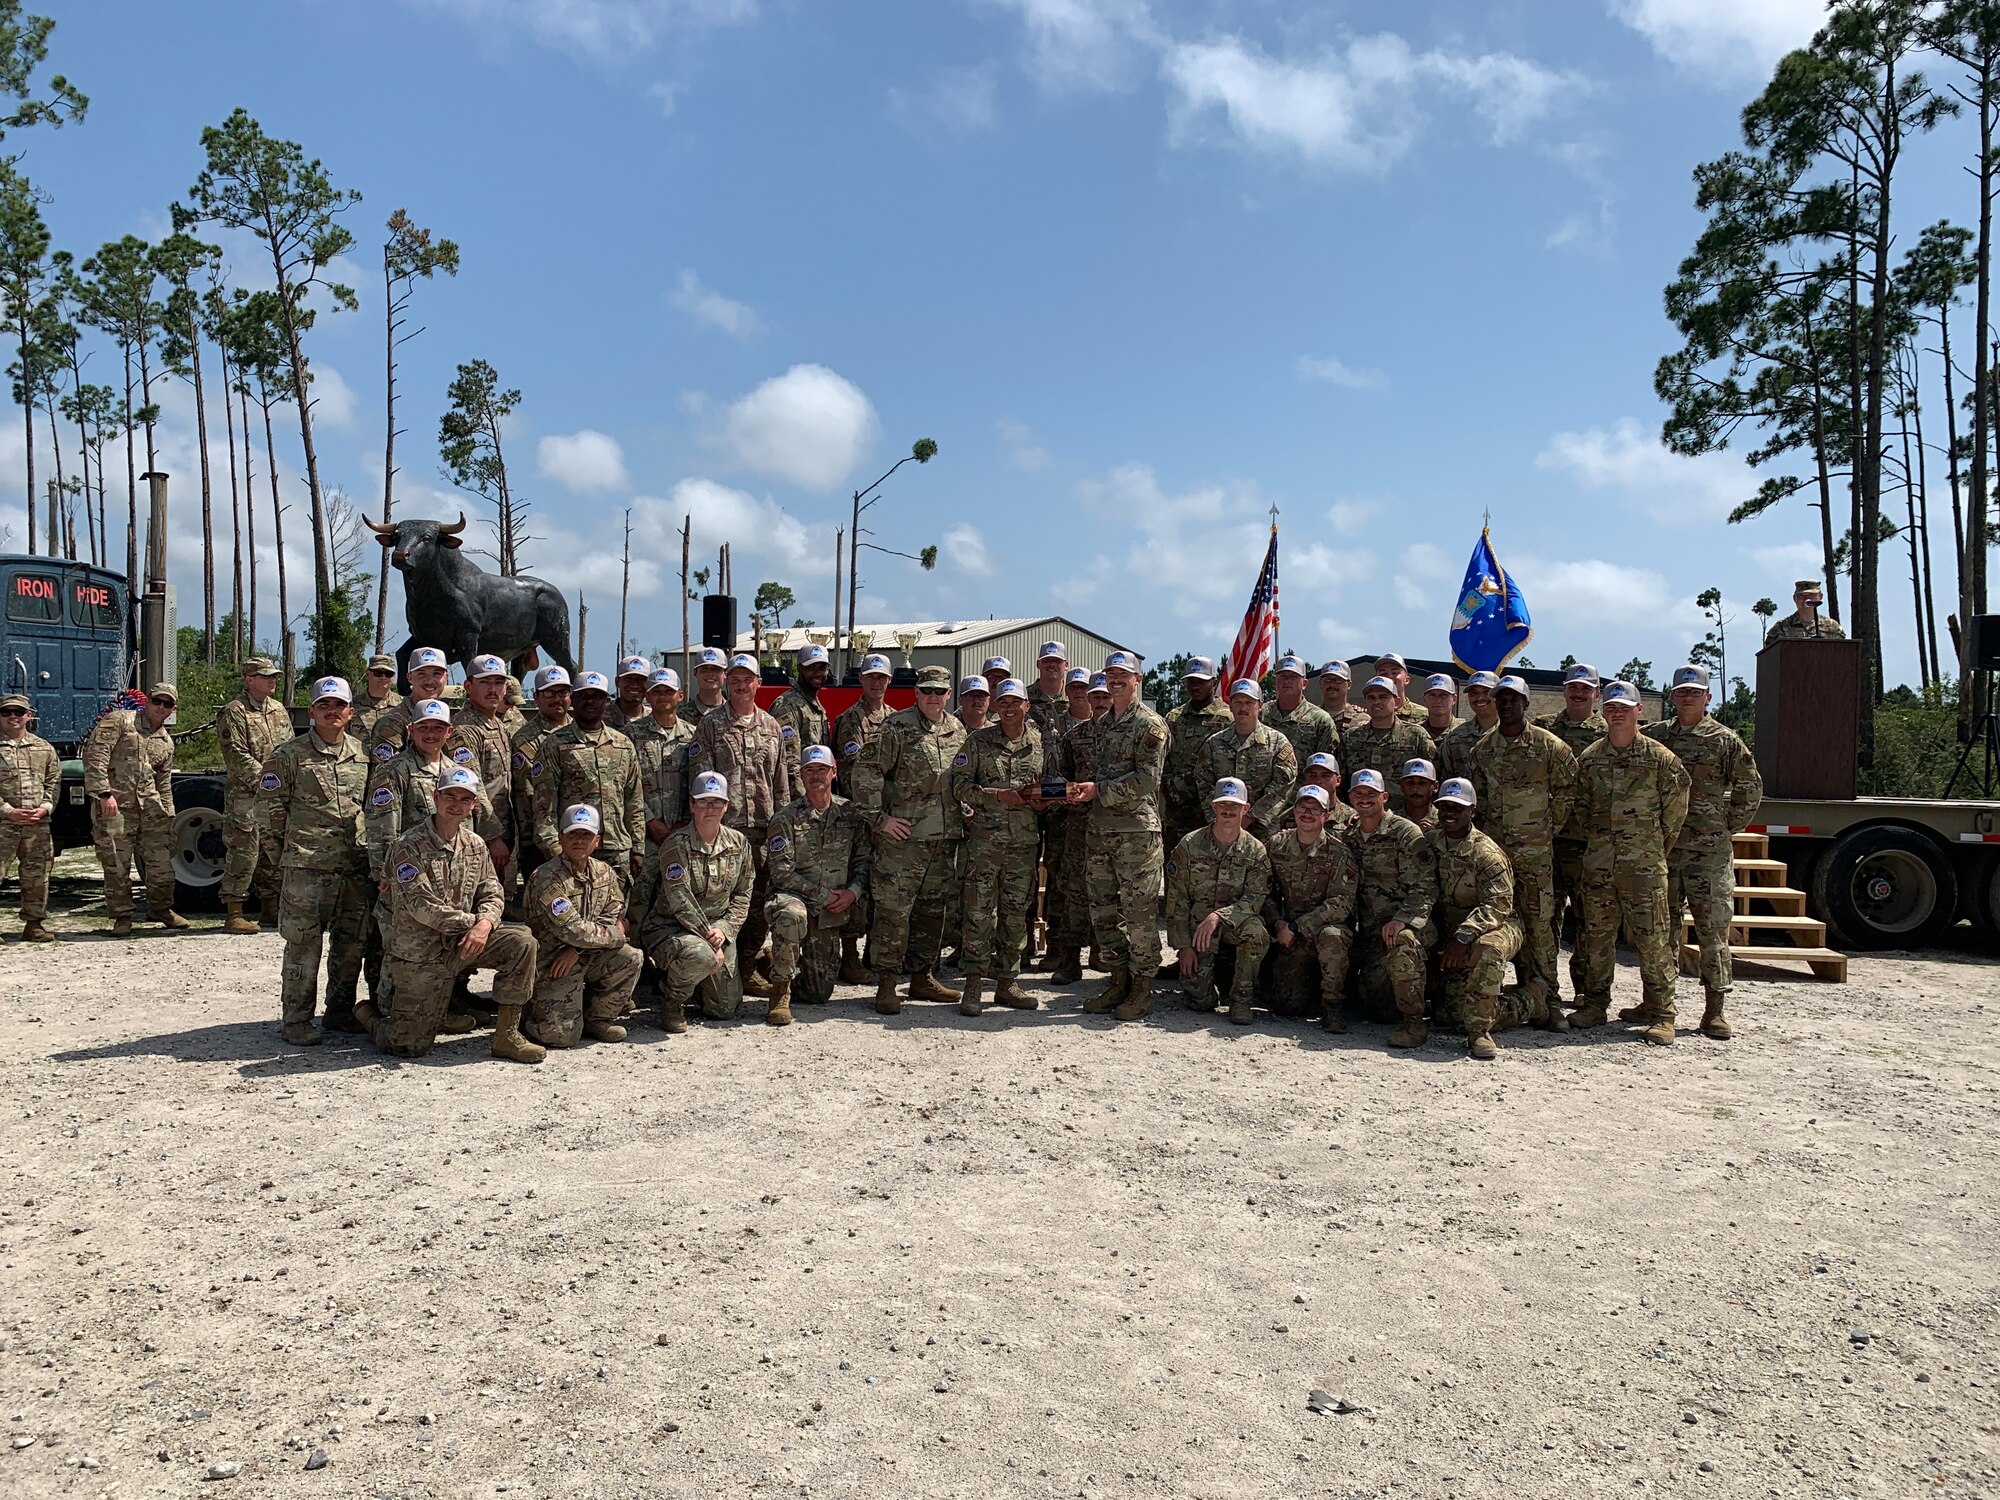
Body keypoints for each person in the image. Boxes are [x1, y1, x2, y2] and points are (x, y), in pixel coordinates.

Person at [365, 765, 542, 1062]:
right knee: (407, 1047)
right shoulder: (407, 846)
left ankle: (506, 1036)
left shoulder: (475, 845)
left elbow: (492, 892)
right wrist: (474, 923)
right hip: (421, 954)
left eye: (464, 799)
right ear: (436, 797)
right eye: (450, 796)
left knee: (522, 942)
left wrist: (486, 923)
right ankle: (368, 1015)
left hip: (461, 945)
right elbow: (423, 907)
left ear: (473, 805)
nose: (456, 804)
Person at [1644, 663, 1763, 1040]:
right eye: (1681, 692)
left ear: (1708, 698)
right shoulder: (1659, 736)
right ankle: (1659, 1007)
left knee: (1712, 934)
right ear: (1672, 696)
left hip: (1708, 854)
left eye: (1695, 692)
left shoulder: (1724, 740)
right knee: (1662, 933)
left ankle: (1715, 1011)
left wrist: (1726, 825)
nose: (1687, 697)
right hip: (1666, 849)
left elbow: (1750, 788)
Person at [1572, 680, 1691, 1043]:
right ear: (1602, 711)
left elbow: (1674, 815)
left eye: (1625, 706)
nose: (1617, 712)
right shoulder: (1590, 759)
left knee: (1654, 941)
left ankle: (1661, 1012)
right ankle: (1594, 1004)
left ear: (1640, 710)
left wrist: (1650, 848)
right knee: (1596, 939)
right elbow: (1580, 809)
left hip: (1644, 868)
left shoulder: (1661, 760)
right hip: (1600, 866)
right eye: (1611, 706)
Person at [262, 677, 372, 1044]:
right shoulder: (288, 755)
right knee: (303, 945)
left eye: (338, 705)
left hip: (353, 866)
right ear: (311, 711)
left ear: (350, 712)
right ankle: (296, 1020)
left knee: (350, 943)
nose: (331, 711)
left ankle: (339, 1012)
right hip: (306, 868)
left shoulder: (363, 754)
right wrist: (287, 859)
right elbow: (269, 812)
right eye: (324, 705)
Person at [365, 697, 490, 1013]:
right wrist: (385, 873)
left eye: (438, 728)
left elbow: (468, 825)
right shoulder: (394, 770)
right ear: (411, 729)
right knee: (400, 944)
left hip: (452, 875)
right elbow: (382, 825)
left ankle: (447, 1004)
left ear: (449, 732)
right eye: (424, 727)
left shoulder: (458, 773)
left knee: (450, 939)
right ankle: (386, 1009)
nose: (431, 734)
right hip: (410, 876)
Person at [856, 663, 967, 1013]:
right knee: (893, 912)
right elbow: (866, 773)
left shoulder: (957, 730)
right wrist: (879, 820)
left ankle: (922, 976)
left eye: (940, 692)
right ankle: (887, 982)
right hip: (902, 841)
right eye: (927, 691)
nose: (933, 697)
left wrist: (966, 807)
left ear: (949, 696)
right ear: (916, 693)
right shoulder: (896, 727)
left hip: (942, 839)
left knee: (932, 911)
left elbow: (961, 777)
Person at [1470, 675, 1577, 1024]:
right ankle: (1496, 996)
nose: (1506, 705)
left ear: (1526, 704)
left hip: (1535, 857)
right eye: (1501, 699)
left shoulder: (1551, 748)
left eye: (1513, 700)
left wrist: (1545, 831)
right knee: (1497, 925)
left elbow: (1567, 794)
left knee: (1540, 927)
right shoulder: (1483, 750)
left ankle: (1549, 999)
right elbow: (1479, 803)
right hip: (1495, 859)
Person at [690, 653, 795, 994]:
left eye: (747, 678)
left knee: (756, 904)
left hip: (764, 832)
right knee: (723, 902)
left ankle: (747, 967)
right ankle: (717, 973)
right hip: (725, 833)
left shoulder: (772, 727)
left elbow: (780, 784)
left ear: (758, 683)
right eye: (734, 678)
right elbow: (701, 780)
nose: (740, 684)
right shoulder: (711, 725)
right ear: (726, 682)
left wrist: (783, 828)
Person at [1074, 650, 1169, 1021]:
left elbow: (1147, 780)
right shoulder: (1102, 724)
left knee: (1139, 912)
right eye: (1110, 674)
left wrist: (1098, 790)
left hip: (1136, 834)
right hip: (1100, 831)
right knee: (1103, 911)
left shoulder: (1149, 725)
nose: (1115, 680)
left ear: (1137, 680)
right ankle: (1117, 979)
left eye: (1122, 675)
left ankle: (1142, 988)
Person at [1422, 780, 1542, 1059]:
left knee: (1490, 949)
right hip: (1452, 931)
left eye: (1457, 808)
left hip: (1495, 926)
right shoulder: (1432, 843)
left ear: (1472, 811)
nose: (1449, 813)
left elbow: (1498, 904)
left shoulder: (1486, 853)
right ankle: (1516, 1002)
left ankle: (1485, 1029)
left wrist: (1463, 937)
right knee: (1449, 1014)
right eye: (1443, 807)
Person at [950, 678, 1044, 1015]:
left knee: (1015, 914)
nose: (1007, 707)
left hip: (1023, 843)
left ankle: (1007, 983)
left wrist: (1042, 800)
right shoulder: (977, 742)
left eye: (1014, 702)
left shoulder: (1039, 742)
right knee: (978, 912)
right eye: (1002, 702)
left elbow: (1047, 785)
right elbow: (959, 786)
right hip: (986, 843)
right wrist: (995, 796)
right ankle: (973, 984)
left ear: (1026, 705)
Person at [634, 769, 754, 1031]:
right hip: (672, 928)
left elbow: (743, 893)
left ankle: (696, 982)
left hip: (717, 930)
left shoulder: (739, 843)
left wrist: (724, 930)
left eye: (716, 802)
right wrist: (710, 939)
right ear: (692, 805)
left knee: (724, 1009)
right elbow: (680, 901)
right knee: (702, 957)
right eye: (702, 801)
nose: (709, 808)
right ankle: (672, 1000)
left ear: (726, 806)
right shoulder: (676, 845)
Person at [522, 804, 644, 1049]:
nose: (579, 840)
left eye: (586, 835)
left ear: (596, 841)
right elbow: (572, 930)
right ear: (560, 838)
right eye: (573, 834)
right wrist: (614, 935)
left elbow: (613, 914)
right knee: (561, 1038)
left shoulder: (605, 873)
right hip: (551, 963)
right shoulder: (547, 877)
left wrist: (578, 950)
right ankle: (529, 1016)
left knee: (630, 958)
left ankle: (597, 1019)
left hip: (583, 954)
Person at [765, 744, 872, 1021]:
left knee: (819, 993)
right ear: (800, 775)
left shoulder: (850, 813)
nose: (815, 776)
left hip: (832, 909)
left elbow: (863, 861)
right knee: (791, 915)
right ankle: (780, 991)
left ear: (833, 772)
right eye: (809, 770)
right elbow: (782, 874)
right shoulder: (785, 819)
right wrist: (824, 896)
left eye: (821, 769)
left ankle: (775, 963)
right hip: (796, 899)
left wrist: (853, 892)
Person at [1164, 777, 1272, 1025]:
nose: (1228, 810)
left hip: (1234, 924)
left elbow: (1255, 899)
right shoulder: (1189, 846)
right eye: (1223, 804)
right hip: (1197, 929)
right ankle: (1210, 983)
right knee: (1200, 1002)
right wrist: (1184, 948)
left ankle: (1241, 1000)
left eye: (1235, 805)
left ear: (1245, 808)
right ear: (1213, 806)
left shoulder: (1255, 850)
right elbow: (1176, 898)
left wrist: (1217, 916)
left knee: (1257, 933)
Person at [1341, 768, 1435, 1047]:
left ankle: (1414, 1024)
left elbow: (1426, 885)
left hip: (1407, 927)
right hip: (1370, 931)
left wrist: (1402, 920)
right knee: (1377, 1009)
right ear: (1351, 798)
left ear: (1384, 796)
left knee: (1404, 943)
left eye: (1371, 794)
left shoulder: (1406, 833)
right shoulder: (1351, 835)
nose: (1365, 799)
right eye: (1359, 794)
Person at [81, 683, 184, 936]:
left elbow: (164, 782)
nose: (161, 707)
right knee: (117, 865)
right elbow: (95, 756)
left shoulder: (165, 742)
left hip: (150, 810)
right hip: (116, 808)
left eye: (167, 704)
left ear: (173, 709)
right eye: (157, 701)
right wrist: (104, 793)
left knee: (161, 865)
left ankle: (161, 909)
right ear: (147, 701)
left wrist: (168, 813)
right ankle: (122, 917)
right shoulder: (119, 721)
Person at [537, 671, 646, 891]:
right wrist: (555, 850)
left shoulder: (623, 745)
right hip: (573, 848)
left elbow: (634, 801)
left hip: (616, 850)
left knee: (615, 917)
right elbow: (543, 806)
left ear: (606, 701)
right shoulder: (555, 745)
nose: (590, 701)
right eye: (583, 696)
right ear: (573, 699)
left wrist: (638, 847)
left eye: (596, 696)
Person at [1261, 784, 1358, 1030]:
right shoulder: (1276, 845)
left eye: (1315, 809)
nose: (1307, 813)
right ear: (1293, 811)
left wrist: (1298, 926)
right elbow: (1263, 891)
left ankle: (1332, 1005)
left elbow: (1341, 903)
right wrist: (1278, 923)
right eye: (1303, 807)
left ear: (1326, 815)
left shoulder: (1339, 853)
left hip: (1324, 929)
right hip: (1288, 934)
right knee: (1286, 1006)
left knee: (1332, 937)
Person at [1537, 663, 1607, 970]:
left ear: (1597, 694)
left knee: (1588, 920)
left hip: (1588, 842)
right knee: (1544, 917)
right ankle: (1545, 987)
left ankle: (1584, 989)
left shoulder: (1609, 732)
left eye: (1585, 689)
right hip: (1548, 839)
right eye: (1573, 687)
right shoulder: (1543, 728)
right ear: (1564, 690)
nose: (1579, 694)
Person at [215, 655, 291, 935]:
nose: (272, 680)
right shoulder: (233, 712)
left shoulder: (279, 710)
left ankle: (270, 908)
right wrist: (267, 782)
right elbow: (236, 755)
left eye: (274, 676)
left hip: (276, 796)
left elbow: (290, 750)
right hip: (246, 795)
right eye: (266, 676)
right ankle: (234, 912)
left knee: (272, 851)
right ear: (250, 679)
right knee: (244, 851)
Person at [1042, 667, 1100, 985]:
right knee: (1071, 891)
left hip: (1114, 827)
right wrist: (1066, 794)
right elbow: (1058, 777)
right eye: (1095, 696)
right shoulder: (1073, 737)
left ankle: (1104, 952)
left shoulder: (1128, 733)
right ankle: (1069, 957)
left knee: (1108, 892)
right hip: (1075, 825)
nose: (1099, 701)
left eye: (1105, 696)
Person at [446, 655, 520, 894]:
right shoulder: (464, 730)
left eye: (499, 682)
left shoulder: (496, 724)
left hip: (503, 831)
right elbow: (471, 786)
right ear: (468, 686)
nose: (493, 689)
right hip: (477, 836)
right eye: (485, 682)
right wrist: (493, 837)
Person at [1201, 678, 1298, 837]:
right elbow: (1204, 783)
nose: (1243, 708)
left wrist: (1250, 817)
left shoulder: (1278, 743)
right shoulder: (1214, 743)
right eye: (1238, 702)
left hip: (1263, 831)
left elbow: (1283, 785)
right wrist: (1219, 818)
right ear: (1230, 705)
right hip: (1220, 829)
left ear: (1260, 705)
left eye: (1249, 702)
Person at [0, 691, 59, 941]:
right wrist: (8, 811)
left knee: (37, 875)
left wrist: (45, 808)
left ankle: (34, 925)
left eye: (19, 712)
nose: (13, 717)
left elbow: (53, 782)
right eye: (6, 712)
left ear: (29, 716)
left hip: (37, 824)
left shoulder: (44, 748)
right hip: (3, 824)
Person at [1162, 656, 1232, 860]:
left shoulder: (1227, 718)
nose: (1195, 686)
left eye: (1201, 681)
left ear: (1214, 681)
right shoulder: (1174, 718)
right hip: (1178, 812)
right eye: (1191, 681)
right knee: (1176, 869)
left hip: (1212, 810)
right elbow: (1163, 759)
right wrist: (1170, 787)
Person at [509, 665, 573, 882]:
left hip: (580, 832)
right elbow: (527, 792)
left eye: (562, 692)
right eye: (549, 693)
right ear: (536, 697)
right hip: (539, 840)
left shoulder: (580, 731)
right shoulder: (524, 740)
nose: (557, 699)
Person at [1340, 676, 1436, 814]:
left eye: (1383, 697)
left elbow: (1432, 782)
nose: (1377, 702)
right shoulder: (1351, 737)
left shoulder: (1416, 736)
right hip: (1360, 817)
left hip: (1405, 818)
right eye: (1371, 698)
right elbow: (1342, 784)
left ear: (1396, 702)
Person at [629, 667, 696, 859]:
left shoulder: (694, 735)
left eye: (668, 691)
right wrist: (649, 821)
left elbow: (698, 780)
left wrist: (686, 821)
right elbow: (626, 785)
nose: (663, 696)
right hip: (643, 835)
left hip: (685, 832)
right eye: (656, 692)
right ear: (647, 696)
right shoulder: (630, 735)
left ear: (680, 695)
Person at [367, 646, 451, 763]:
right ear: (410, 677)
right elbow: (384, 775)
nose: (430, 681)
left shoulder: (449, 719)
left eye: (437, 674)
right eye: (422, 674)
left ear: (446, 678)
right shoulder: (392, 723)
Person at [768, 644, 833, 784]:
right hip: (798, 797)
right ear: (799, 669)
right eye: (811, 668)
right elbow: (789, 763)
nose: (817, 673)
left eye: (822, 668)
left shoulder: (814, 705)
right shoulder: (787, 705)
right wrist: (802, 803)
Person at [833, 653, 896, 797]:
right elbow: (854, 769)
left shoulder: (895, 717)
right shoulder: (852, 719)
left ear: (889, 679)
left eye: (881, 677)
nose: (876, 683)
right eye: (870, 677)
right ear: (861, 678)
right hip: (862, 803)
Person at [1262, 654, 1339, 766]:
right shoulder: (1261, 714)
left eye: (1293, 677)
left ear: (1304, 684)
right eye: (1283, 676)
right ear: (1275, 682)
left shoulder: (1320, 720)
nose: (1287, 681)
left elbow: (1327, 766)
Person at [1436, 671, 1498, 782]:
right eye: (1473, 694)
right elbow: (1445, 781)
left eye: (1486, 692)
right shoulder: (1455, 738)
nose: (1479, 698)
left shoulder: (1514, 734)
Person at [1279, 752, 1353, 833]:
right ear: (1305, 780)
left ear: (1338, 780)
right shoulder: (1289, 816)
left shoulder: (1351, 818)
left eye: (1325, 776)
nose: (1318, 780)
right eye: (1312, 775)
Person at [1766, 578, 1846, 641]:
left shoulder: (1832, 626)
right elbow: (1770, 656)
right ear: (1795, 598)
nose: (1806, 599)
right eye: (1801, 596)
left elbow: (1843, 652)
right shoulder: (1781, 627)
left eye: (1811, 595)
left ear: (1820, 597)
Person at [350, 655, 404, 744]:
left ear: (393, 677)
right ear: (367, 674)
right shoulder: (352, 705)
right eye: (378, 673)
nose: (383, 677)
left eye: (388, 674)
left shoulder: (403, 705)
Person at [1318, 660, 1367, 736]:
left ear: (1349, 685)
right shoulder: (1310, 718)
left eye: (1338, 680)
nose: (1332, 685)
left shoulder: (1364, 720)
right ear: (1320, 683)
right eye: (1327, 680)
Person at [606, 654, 652, 730]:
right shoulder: (599, 717)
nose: (635, 685)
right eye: (629, 679)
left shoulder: (655, 718)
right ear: (617, 682)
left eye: (641, 679)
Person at [688, 645, 729, 717]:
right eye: (704, 669)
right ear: (695, 672)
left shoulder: (735, 712)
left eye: (716, 669)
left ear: (725, 674)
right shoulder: (681, 715)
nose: (710, 674)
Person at [1399, 758, 1440, 828]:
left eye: (1422, 783)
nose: (1415, 789)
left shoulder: (1444, 822)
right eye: (1410, 783)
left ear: (1435, 787)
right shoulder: (1390, 822)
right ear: (1402, 787)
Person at [1420, 673, 1461, 739]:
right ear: (1424, 699)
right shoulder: (1414, 733)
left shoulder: (1465, 731)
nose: (1438, 700)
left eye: (1443, 695)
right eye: (1432, 695)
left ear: (1454, 699)